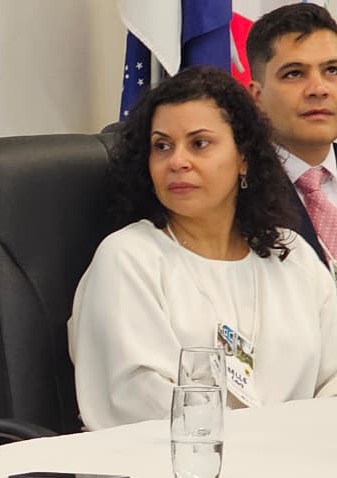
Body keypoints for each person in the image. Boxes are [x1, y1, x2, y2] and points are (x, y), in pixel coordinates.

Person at [68, 66, 337, 430]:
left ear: (244, 158)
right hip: (174, 459)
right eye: (162, 146)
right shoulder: (128, 258)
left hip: (297, 456)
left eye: (199, 143)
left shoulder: (290, 255)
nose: (177, 161)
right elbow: (138, 400)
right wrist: (262, 441)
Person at [248, 2, 337, 270]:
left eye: (332, 70)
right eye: (294, 73)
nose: (319, 89)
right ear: (257, 97)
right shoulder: (236, 191)